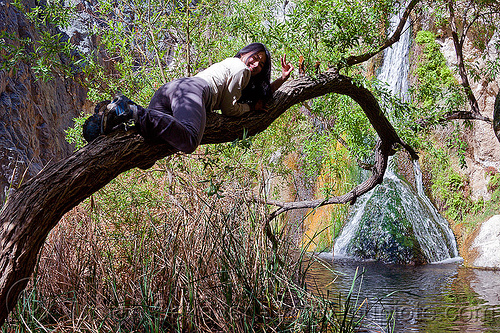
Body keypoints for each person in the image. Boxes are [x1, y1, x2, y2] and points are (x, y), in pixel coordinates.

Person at [100, 43, 294, 153]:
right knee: (190, 140)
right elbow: (229, 110)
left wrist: (281, 79)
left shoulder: (231, 65)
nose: (257, 63)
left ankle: (105, 124)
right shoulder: (241, 69)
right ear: (244, 53)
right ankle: (131, 109)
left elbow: (260, 93)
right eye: (256, 56)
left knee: (149, 144)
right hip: (193, 92)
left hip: (171, 89)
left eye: (261, 64)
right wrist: (251, 109)